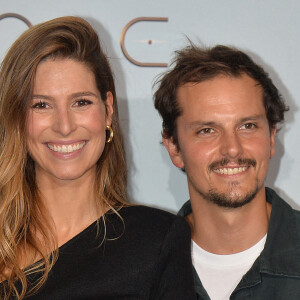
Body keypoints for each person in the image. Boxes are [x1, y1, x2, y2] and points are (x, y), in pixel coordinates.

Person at [0, 16, 196, 300]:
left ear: (107, 110)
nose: (64, 125)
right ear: (17, 118)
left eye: (81, 102)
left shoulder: (155, 240)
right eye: (41, 105)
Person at [154, 44, 300, 299]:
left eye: (247, 126)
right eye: (207, 130)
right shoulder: (141, 270)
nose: (232, 149)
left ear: (271, 138)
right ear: (174, 148)